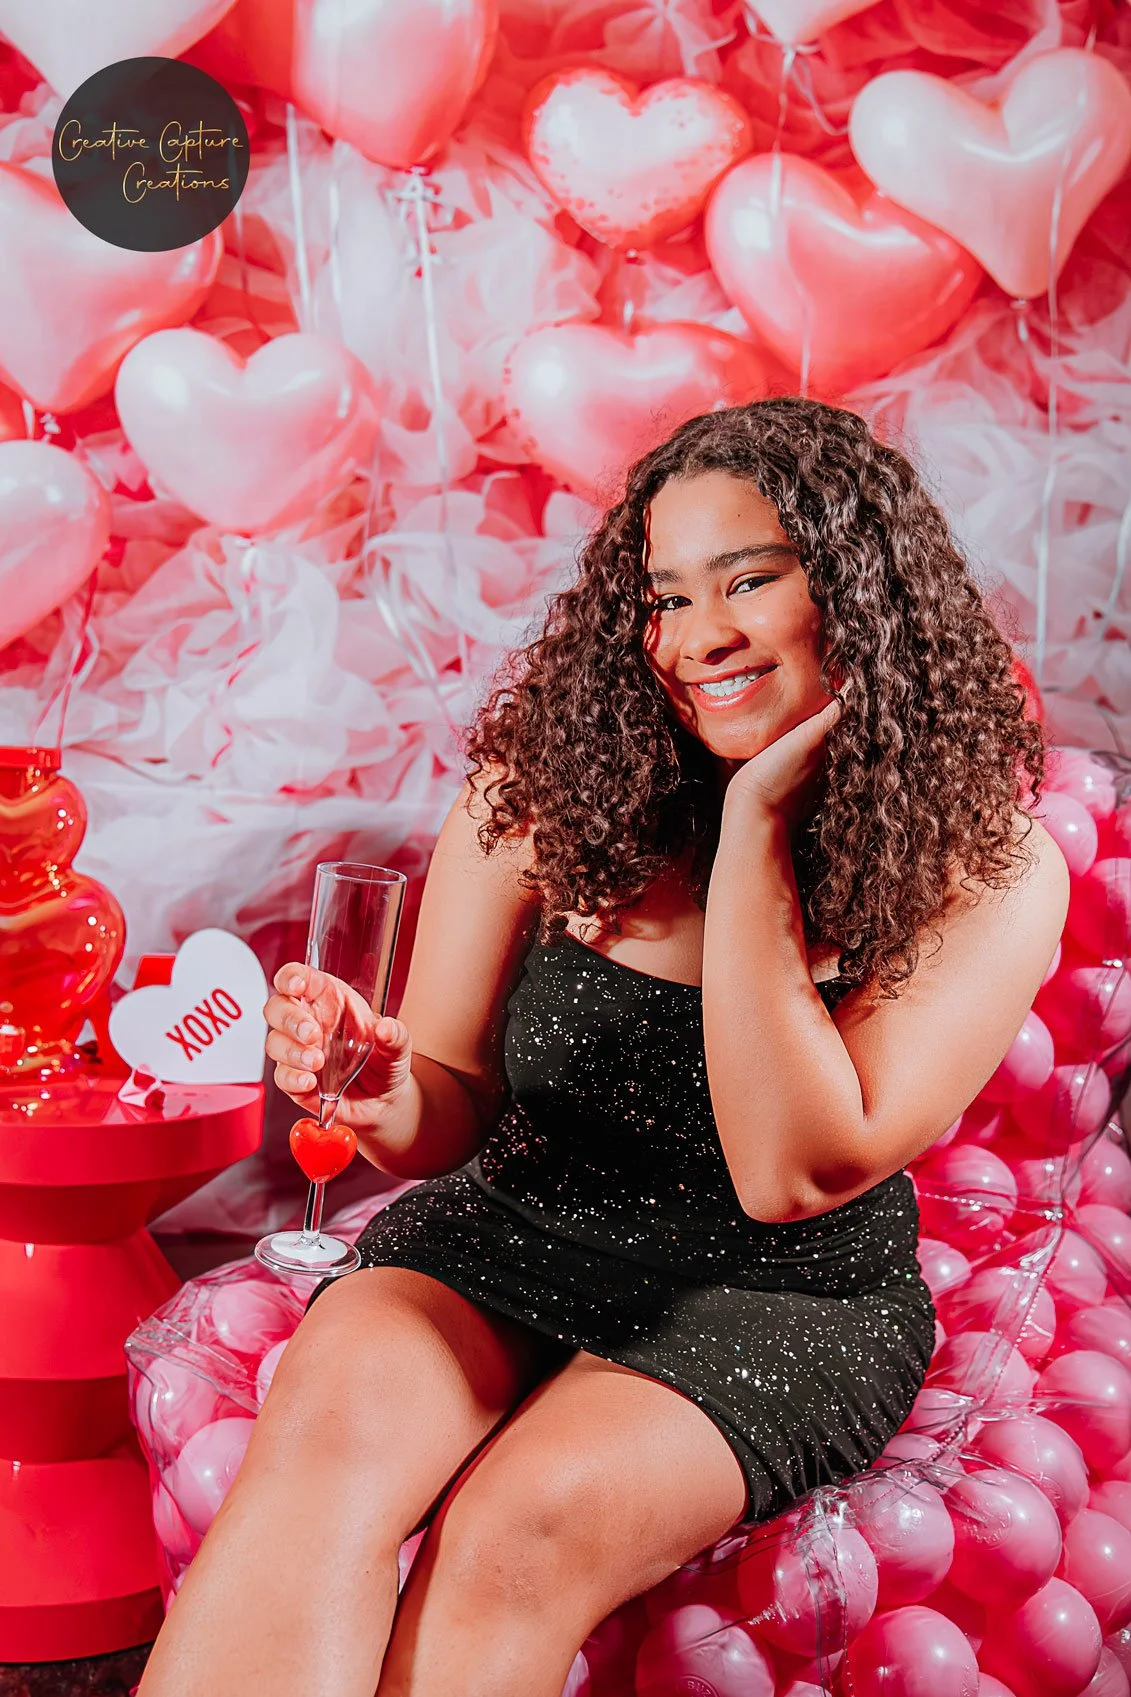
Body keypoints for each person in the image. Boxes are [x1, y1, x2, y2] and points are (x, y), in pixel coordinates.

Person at [138, 397, 1069, 1697]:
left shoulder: (989, 869)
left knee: (515, 1532)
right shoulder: (547, 789)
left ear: (861, 589)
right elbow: (448, 1106)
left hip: (780, 1296)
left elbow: (790, 1174)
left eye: (747, 580)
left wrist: (755, 836)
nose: (698, 637)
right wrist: (379, 1085)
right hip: (517, 1220)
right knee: (325, 1439)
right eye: (665, 598)